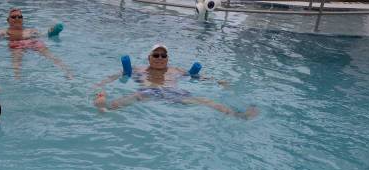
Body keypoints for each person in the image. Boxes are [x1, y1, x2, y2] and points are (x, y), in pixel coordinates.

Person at [94, 44, 258, 119]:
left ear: (167, 58)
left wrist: (217, 82)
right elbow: (117, 75)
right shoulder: (139, 69)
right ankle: (104, 107)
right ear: (149, 58)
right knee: (135, 96)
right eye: (156, 55)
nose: (159, 58)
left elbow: (197, 77)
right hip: (148, 91)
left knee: (206, 100)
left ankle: (239, 115)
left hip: (175, 93)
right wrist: (101, 84)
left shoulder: (176, 70)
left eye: (163, 55)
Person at [0, 8, 73, 79]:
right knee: (16, 59)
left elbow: (43, 35)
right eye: (13, 17)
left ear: (22, 19)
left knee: (50, 55)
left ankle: (67, 72)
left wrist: (52, 31)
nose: (17, 18)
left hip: (32, 42)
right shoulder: (4, 31)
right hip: (16, 44)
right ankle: (17, 79)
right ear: (8, 20)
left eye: (20, 17)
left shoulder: (30, 30)